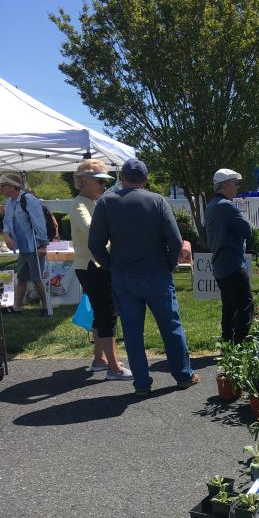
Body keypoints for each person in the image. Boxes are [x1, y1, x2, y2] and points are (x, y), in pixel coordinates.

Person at [89, 158, 198, 396]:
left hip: (124, 277)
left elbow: (94, 244)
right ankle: (183, 375)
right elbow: (176, 241)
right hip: (156, 274)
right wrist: (168, 265)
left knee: (132, 332)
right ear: (145, 180)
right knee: (171, 327)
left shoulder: (106, 202)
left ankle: (141, 384)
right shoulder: (157, 201)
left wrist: (111, 266)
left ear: (122, 178)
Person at [70, 159, 132, 380]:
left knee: (101, 313)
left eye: (104, 181)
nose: (103, 185)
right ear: (84, 181)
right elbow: (94, 233)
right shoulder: (79, 205)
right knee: (107, 315)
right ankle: (114, 368)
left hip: (95, 266)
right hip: (92, 266)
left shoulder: (93, 202)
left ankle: (100, 359)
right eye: (99, 181)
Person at [205, 168, 254, 343]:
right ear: (225, 184)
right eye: (235, 183)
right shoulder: (226, 206)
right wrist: (244, 217)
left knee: (229, 307)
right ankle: (239, 344)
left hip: (220, 264)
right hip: (233, 264)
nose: (237, 187)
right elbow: (247, 230)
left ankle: (227, 341)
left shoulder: (211, 205)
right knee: (245, 305)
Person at [0, 172, 49, 315]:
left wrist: (42, 245)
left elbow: (39, 223)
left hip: (34, 247)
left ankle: (46, 308)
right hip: (23, 248)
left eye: (2, 186)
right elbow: (7, 223)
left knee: (37, 279)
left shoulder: (29, 200)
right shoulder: (9, 202)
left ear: (11, 186)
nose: (1, 189)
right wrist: (7, 236)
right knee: (21, 278)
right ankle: (17, 307)